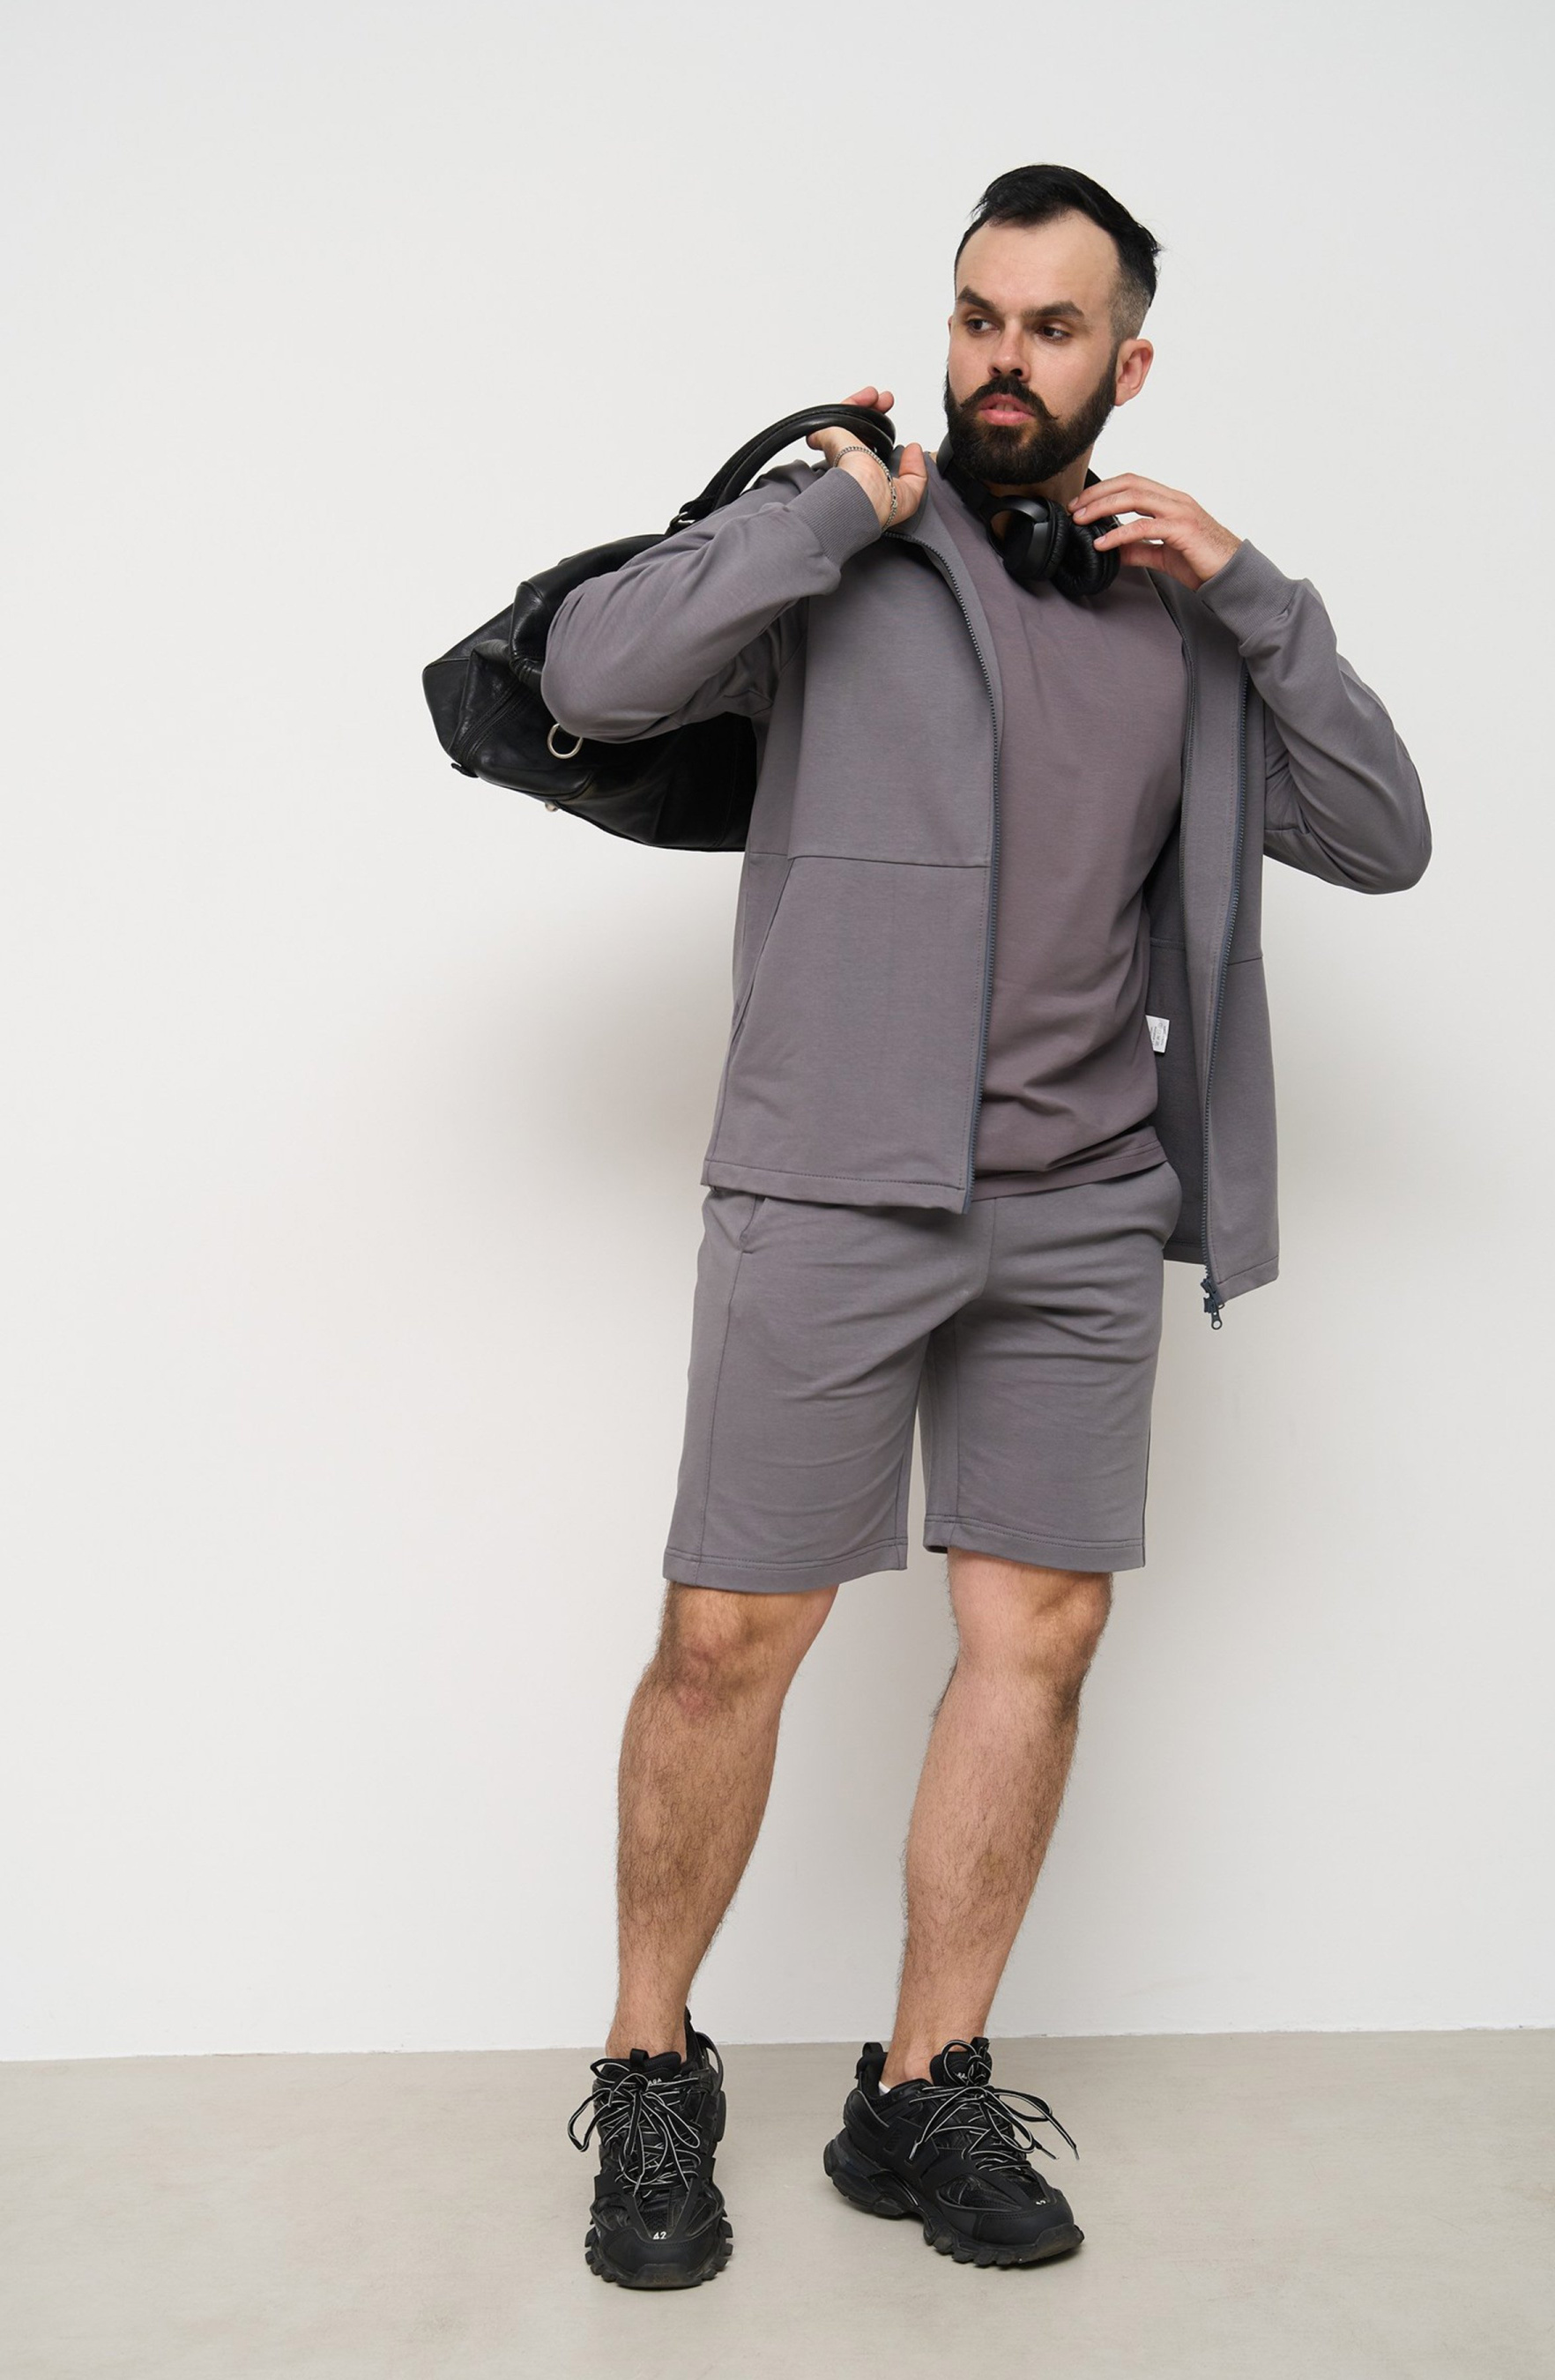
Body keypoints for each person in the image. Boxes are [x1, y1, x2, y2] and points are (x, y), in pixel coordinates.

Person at [545, 163, 1431, 2289]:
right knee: (726, 1639)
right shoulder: (843, 545)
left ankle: (921, 2088)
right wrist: (809, 514)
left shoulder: (1171, 616)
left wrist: (1249, 591)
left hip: (1075, 1206)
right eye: (975, 317)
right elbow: (597, 673)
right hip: (824, 1184)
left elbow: (1378, 832)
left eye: (1049, 328)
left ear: (1126, 362)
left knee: (1035, 1637)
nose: (1001, 361)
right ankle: (651, 2068)